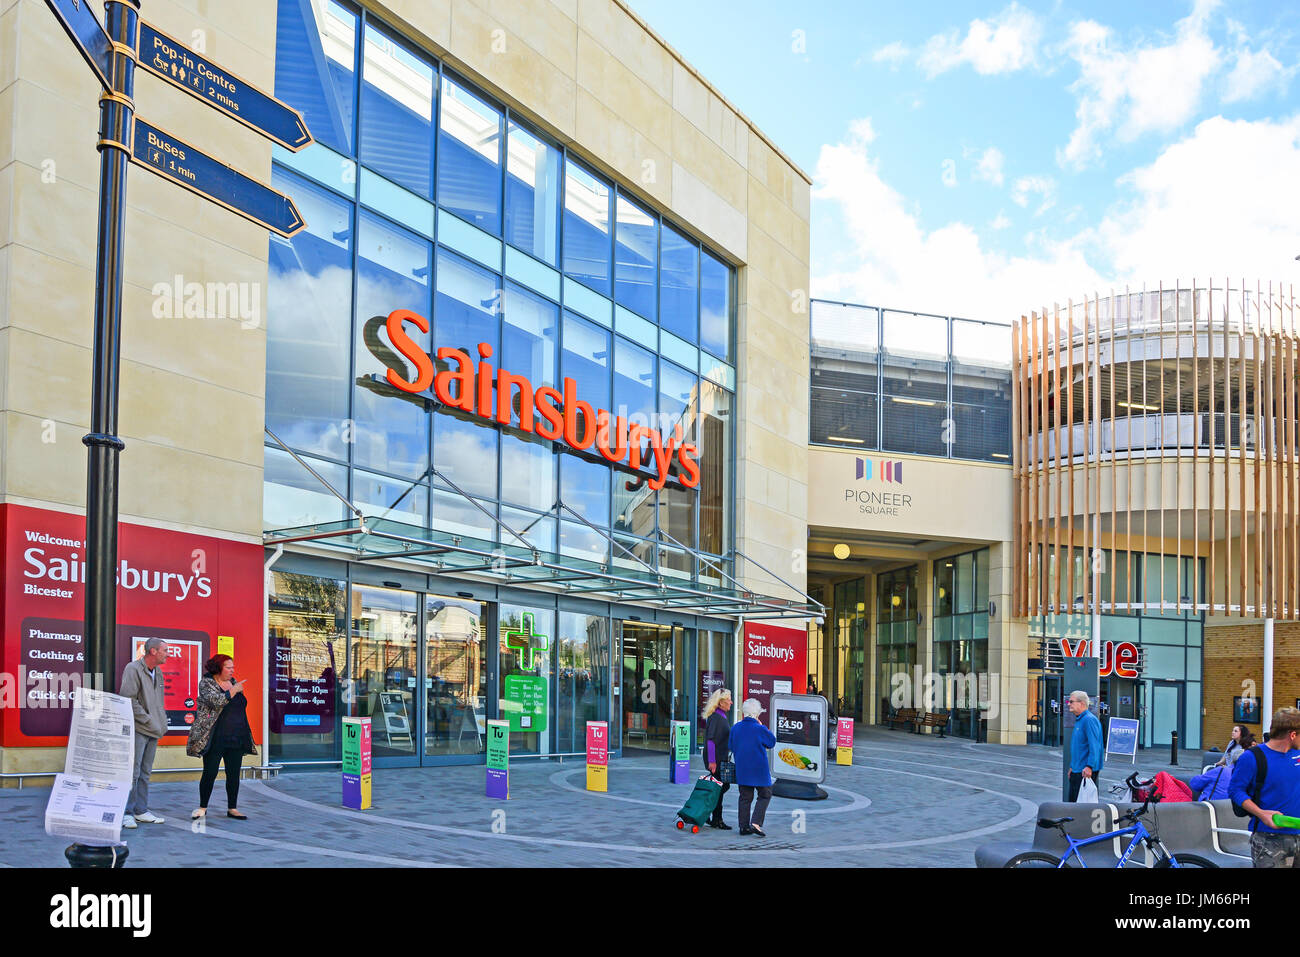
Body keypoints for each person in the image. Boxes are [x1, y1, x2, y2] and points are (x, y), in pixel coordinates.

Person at [186, 655, 258, 820]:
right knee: (210, 773)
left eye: (233, 667)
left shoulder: (234, 683)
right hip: (215, 736)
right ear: (218, 668)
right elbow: (216, 701)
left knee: (233, 774)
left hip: (236, 736)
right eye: (228, 667)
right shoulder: (207, 683)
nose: (232, 670)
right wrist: (234, 691)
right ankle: (202, 807)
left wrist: (235, 689)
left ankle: (232, 808)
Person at [1229, 707, 1300, 868]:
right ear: (1293, 734)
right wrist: (1261, 814)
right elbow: (1235, 790)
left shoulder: (1298, 753)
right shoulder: (1252, 757)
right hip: (1269, 839)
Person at [120, 638, 169, 828]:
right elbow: (128, 700)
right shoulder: (133, 669)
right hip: (139, 729)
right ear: (153, 651)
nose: (168, 653)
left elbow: (158, 703)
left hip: (153, 730)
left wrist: (161, 722)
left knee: (145, 772)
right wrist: (149, 721)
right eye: (165, 650)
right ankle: (127, 813)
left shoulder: (158, 672)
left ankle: (141, 810)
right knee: (133, 772)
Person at [729, 698, 777, 837]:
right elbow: (771, 742)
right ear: (757, 713)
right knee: (765, 794)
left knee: (745, 797)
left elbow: (731, 746)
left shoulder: (736, 727)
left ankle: (743, 827)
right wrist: (763, 727)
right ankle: (756, 822)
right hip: (759, 769)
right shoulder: (759, 728)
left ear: (744, 712)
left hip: (742, 768)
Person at [700, 688, 733, 829]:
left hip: (720, 757)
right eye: (728, 700)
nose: (731, 702)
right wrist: (712, 761)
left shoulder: (721, 716)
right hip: (716, 759)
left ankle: (711, 815)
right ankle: (716, 819)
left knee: (720, 787)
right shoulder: (716, 717)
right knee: (720, 786)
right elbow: (710, 740)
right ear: (720, 703)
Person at [1066, 690, 1103, 801]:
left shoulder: (1089, 720)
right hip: (1077, 770)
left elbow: (1095, 746)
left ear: (1081, 703)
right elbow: (1080, 747)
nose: (1068, 704)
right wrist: (1072, 766)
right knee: (1074, 804)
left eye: (1071, 701)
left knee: (1081, 807)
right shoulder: (1080, 720)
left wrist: (1089, 766)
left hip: (1084, 771)